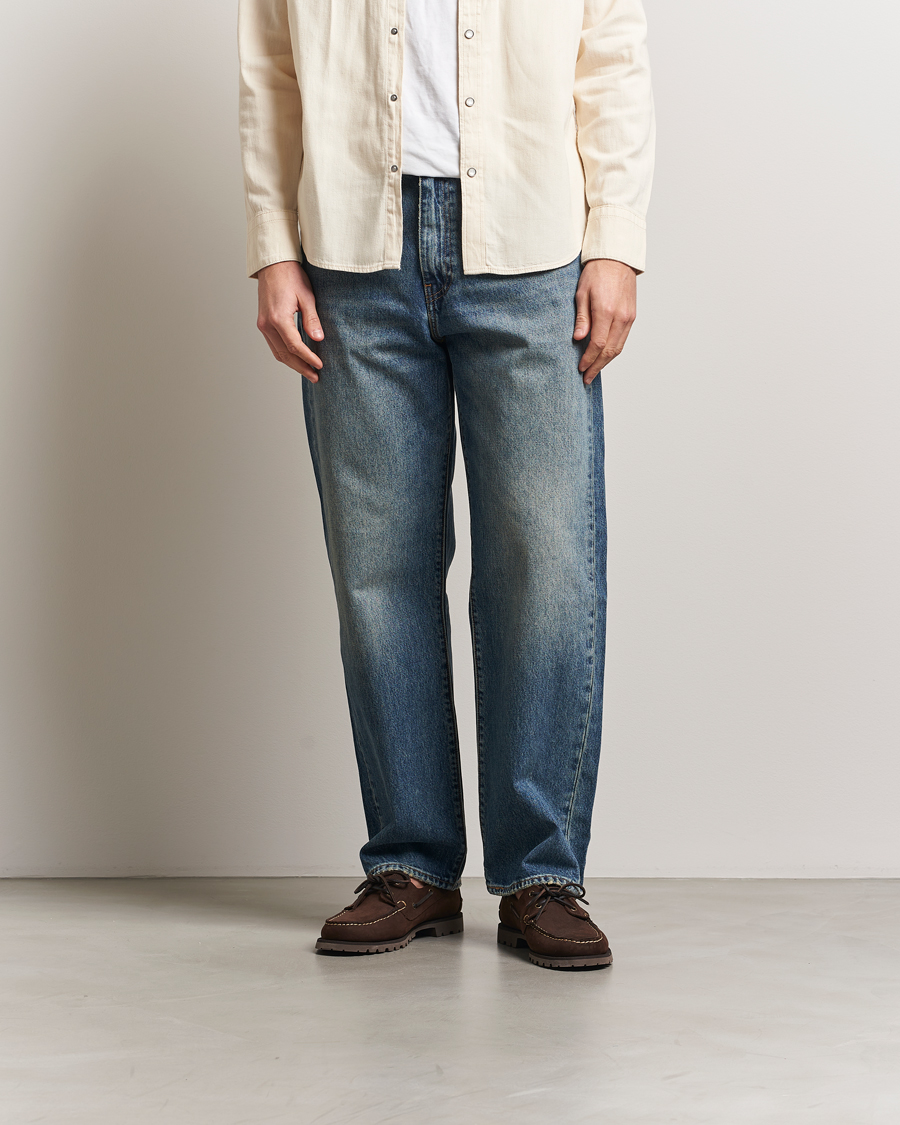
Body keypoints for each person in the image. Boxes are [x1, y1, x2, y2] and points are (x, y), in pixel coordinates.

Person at [238, 0, 655, 971]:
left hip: (532, 239)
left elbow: (611, 47)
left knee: (545, 565)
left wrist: (615, 238)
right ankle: (411, 864)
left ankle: (542, 874)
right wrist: (271, 245)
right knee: (377, 571)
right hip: (352, 246)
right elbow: (269, 62)